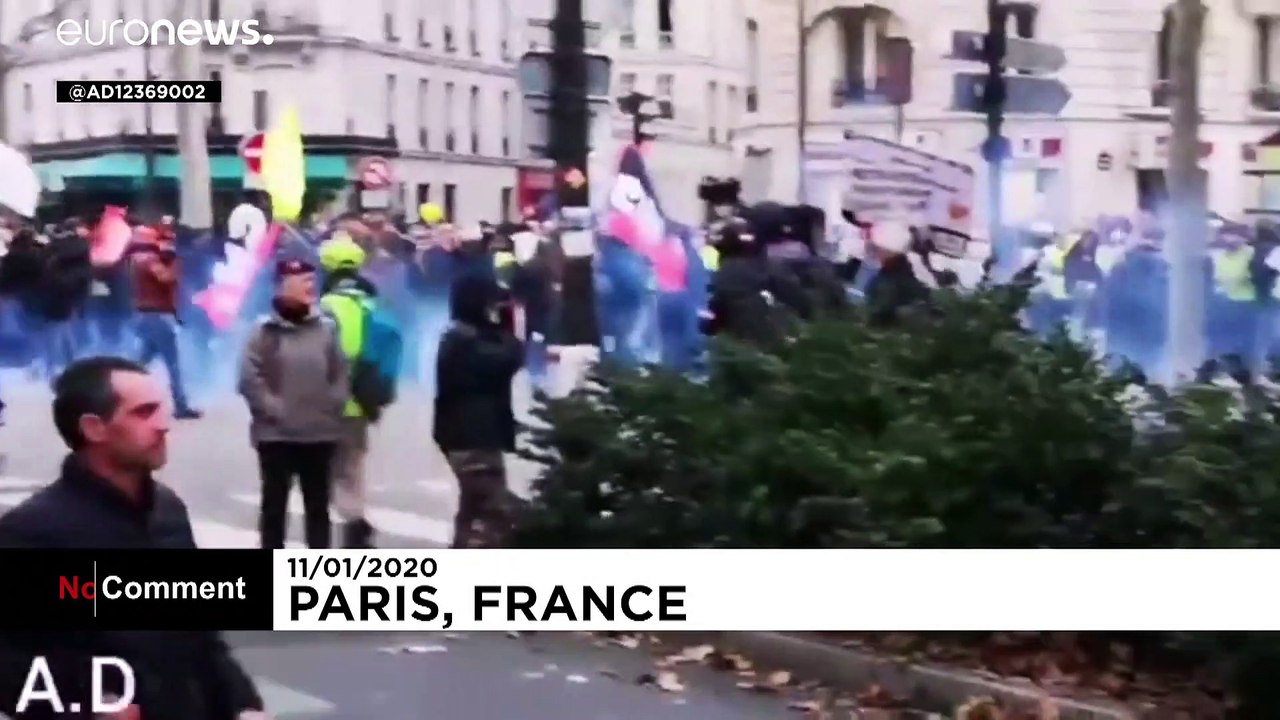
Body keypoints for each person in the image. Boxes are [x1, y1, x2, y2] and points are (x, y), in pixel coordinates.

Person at [0, 356, 266, 720]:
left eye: (163, 410)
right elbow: (9, 664)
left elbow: (202, 638)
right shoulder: (34, 531)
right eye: (144, 413)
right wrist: (89, 707)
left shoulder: (168, 511)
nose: (164, 425)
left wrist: (243, 704)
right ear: (94, 428)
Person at [238, 259, 347, 549]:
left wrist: (334, 404)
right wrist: (273, 409)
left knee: (318, 509)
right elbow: (249, 378)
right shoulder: (263, 331)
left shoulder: (326, 328)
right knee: (274, 507)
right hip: (277, 436)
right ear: (282, 285)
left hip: (319, 433)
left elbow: (340, 373)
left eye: (312, 280)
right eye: (302, 280)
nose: (310, 286)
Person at [434, 273, 523, 548]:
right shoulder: (463, 340)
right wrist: (513, 331)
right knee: (497, 511)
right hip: (471, 438)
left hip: (473, 435)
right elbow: (506, 361)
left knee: (473, 510)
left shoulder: (467, 335)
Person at [130, 226, 200, 419]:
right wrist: (176, 264)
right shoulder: (149, 260)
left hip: (148, 316)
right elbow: (166, 278)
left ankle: (116, 395)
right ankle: (181, 406)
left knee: (140, 363)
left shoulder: (137, 260)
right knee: (172, 364)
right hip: (157, 316)